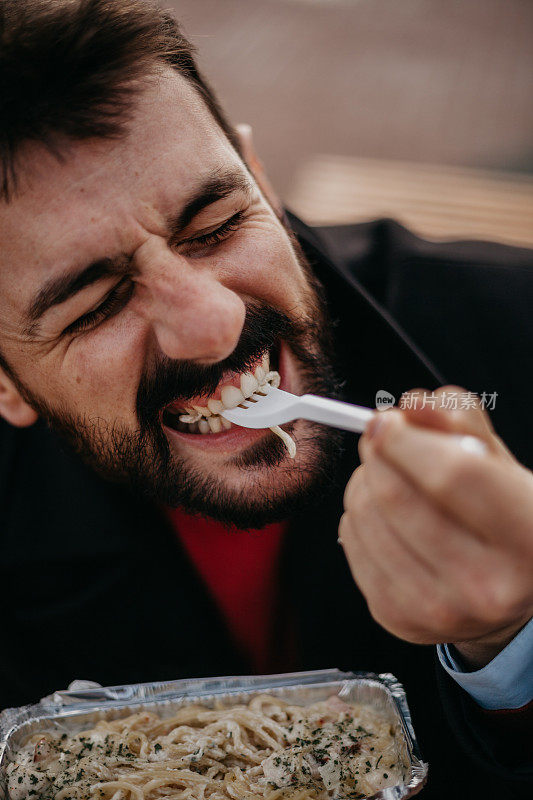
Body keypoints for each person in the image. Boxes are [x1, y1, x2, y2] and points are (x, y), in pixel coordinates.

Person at [0, 1, 531, 797]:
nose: (211, 324)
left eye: (215, 223)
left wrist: (511, 640)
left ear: (265, 182)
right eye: (96, 304)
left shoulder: (512, 333)